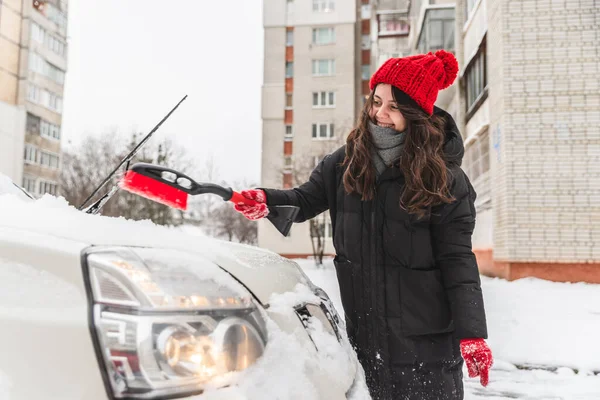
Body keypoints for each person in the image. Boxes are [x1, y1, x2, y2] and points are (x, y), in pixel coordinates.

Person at [235, 50, 493, 400]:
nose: (380, 114)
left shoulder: (445, 178)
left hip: (426, 350)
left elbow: (457, 260)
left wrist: (472, 334)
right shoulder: (344, 163)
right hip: (366, 341)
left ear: (416, 112)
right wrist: (266, 201)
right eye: (376, 101)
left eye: (394, 106)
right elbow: (305, 199)